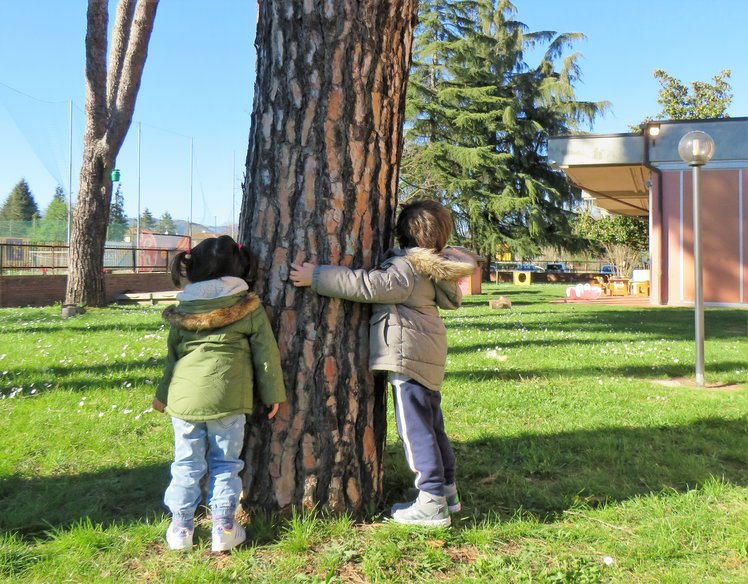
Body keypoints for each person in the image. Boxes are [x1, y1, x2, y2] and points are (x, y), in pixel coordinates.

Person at [289, 199, 475, 527]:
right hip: (427, 354)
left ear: (403, 233)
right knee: (432, 426)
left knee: (415, 430)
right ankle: (447, 493)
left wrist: (316, 275)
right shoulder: (431, 269)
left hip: (409, 357)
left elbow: (367, 285)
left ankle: (431, 502)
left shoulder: (406, 269)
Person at [152, 235, 286, 552]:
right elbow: (266, 355)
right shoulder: (248, 308)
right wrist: (273, 393)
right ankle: (224, 527)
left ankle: (181, 527)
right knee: (225, 464)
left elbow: (172, 359)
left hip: (184, 403)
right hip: (229, 399)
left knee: (185, 464)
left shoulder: (183, 310)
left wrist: (162, 395)